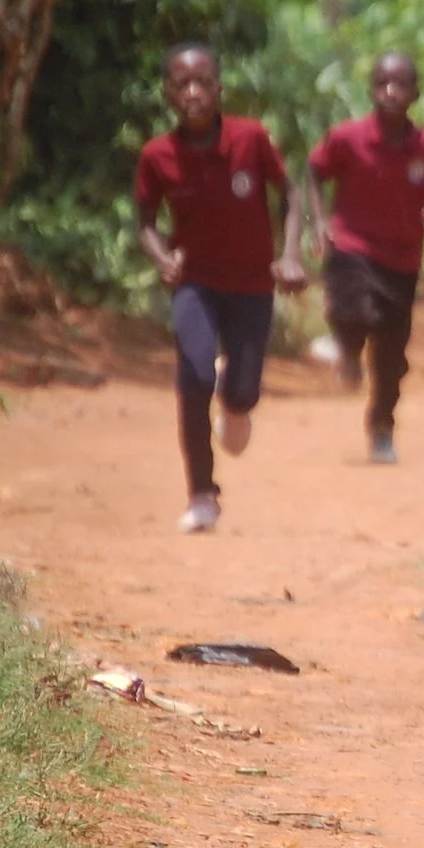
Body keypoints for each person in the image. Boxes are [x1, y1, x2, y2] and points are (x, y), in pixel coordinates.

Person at [133, 42, 308, 535]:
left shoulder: (250, 139)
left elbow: (290, 194)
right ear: (168, 92)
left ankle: (235, 391)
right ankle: (202, 493)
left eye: (203, 82)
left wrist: (290, 254)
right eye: (181, 83)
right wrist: (161, 256)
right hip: (196, 283)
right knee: (193, 374)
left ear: (219, 89)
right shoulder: (157, 156)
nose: (193, 92)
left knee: (242, 396)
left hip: (252, 284)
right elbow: (145, 221)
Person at [309, 51, 424, 463]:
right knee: (353, 312)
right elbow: (315, 171)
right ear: (371, 89)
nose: (391, 91)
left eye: (400, 84)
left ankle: (381, 427)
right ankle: (349, 352)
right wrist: (318, 219)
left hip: (402, 259)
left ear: (415, 92)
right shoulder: (347, 138)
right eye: (382, 83)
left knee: (391, 356)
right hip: (352, 246)